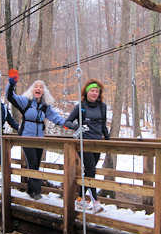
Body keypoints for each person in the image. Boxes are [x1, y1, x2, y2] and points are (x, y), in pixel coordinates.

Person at [6, 69, 67, 199]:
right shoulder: (25, 101)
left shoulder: (45, 106)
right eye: (36, 87)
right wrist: (11, 84)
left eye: (41, 87)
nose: (38, 89)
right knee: (32, 162)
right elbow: (10, 96)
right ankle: (36, 192)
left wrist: (67, 124)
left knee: (36, 164)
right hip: (27, 137)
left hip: (39, 138)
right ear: (32, 90)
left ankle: (30, 189)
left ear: (43, 91)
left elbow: (56, 118)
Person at [64, 79, 110, 213]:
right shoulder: (81, 106)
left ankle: (79, 199)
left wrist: (108, 141)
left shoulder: (103, 106)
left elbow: (103, 125)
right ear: (86, 92)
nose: (94, 93)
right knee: (91, 171)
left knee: (90, 171)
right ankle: (96, 202)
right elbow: (67, 122)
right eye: (92, 90)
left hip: (97, 143)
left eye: (97, 91)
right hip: (83, 142)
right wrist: (77, 126)